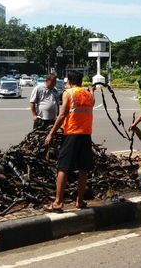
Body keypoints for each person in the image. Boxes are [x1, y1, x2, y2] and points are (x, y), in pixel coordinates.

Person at [43, 70, 95, 212]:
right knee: (83, 168)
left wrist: (51, 133)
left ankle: (58, 202)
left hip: (71, 134)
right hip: (85, 135)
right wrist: (92, 90)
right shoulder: (88, 95)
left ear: (70, 82)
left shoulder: (69, 93)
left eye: (66, 82)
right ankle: (79, 201)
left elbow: (62, 115)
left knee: (63, 167)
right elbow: (92, 102)